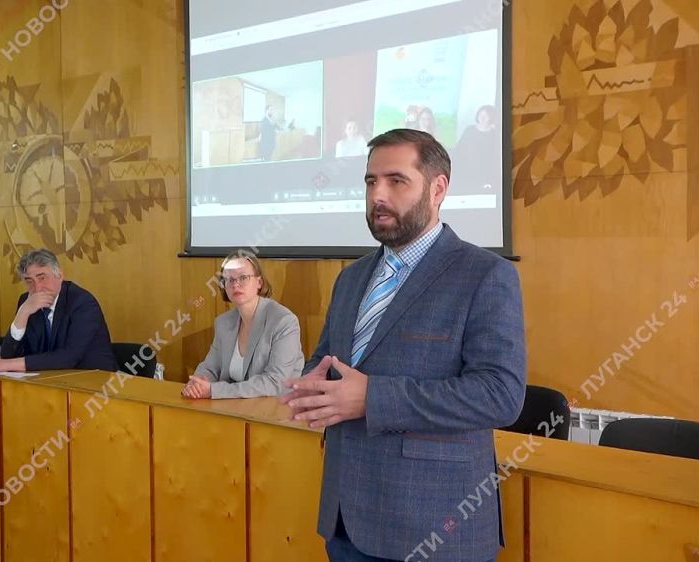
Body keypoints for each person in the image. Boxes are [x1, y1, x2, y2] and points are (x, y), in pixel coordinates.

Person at [282, 129, 526, 562]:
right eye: (370, 181)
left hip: (433, 526)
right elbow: (326, 360)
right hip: (345, 521)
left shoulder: (485, 275)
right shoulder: (351, 278)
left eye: (396, 181)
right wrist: (312, 386)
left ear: (438, 189)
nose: (378, 195)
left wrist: (372, 398)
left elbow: (499, 395)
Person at [182, 251, 304, 399]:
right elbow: (210, 368)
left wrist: (215, 391)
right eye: (229, 279)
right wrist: (197, 383)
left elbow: (275, 382)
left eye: (243, 277)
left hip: (274, 408)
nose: (235, 284)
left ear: (259, 282)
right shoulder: (223, 322)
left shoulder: (283, 321)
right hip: (231, 407)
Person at [0, 248, 117, 373]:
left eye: (42, 278)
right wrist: (22, 314)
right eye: (29, 281)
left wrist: (7, 365)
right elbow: (8, 355)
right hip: (50, 381)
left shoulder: (82, 302)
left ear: (59, 275)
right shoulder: (27, 302)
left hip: (94, 383)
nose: (37, 288)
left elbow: (69, 357)